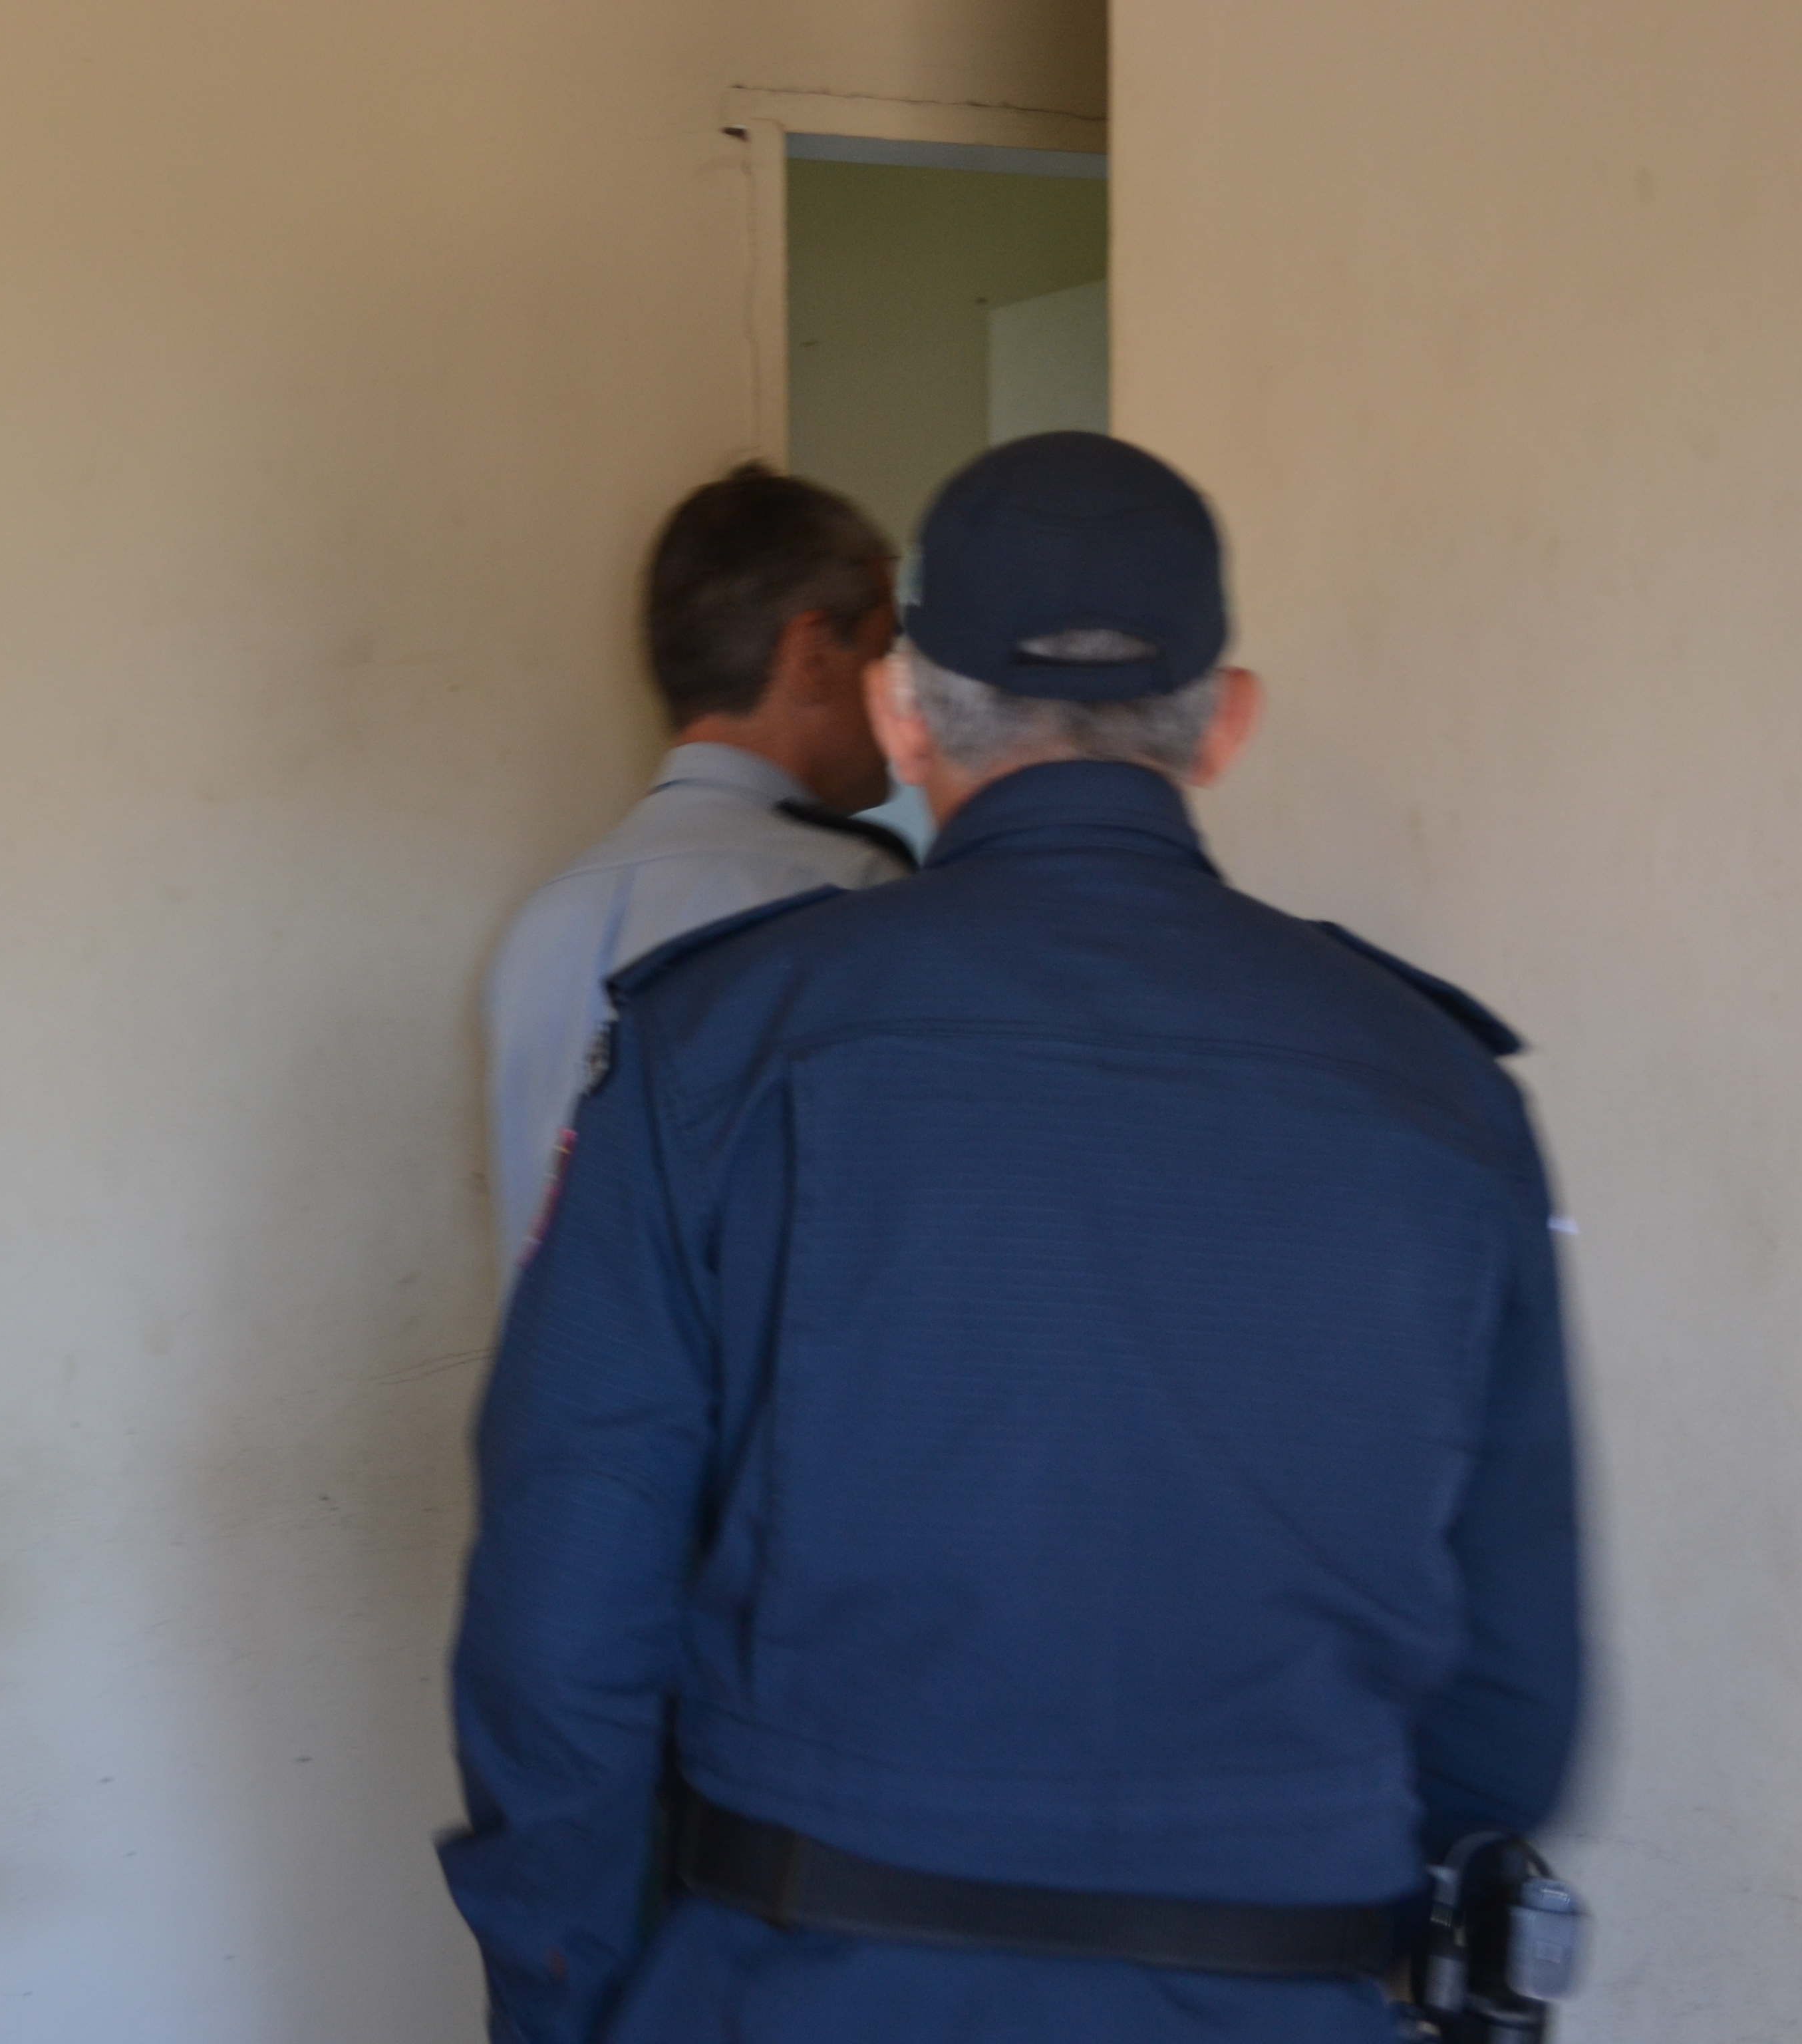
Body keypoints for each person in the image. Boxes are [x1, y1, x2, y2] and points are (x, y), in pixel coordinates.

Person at [440, 432, 1580, 2044]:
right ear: (1226, 720)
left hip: (797, 1986)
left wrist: (566, 1994)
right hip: (1276, 1987)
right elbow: (1514, 1703)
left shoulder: (721, 1044)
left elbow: (561, 1625)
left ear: (904, 709)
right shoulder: (1444, 1093)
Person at [484, 463, 912, 1272]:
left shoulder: (539, 927)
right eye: (884, 648)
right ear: (812, 655)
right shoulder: (852, 901)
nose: (901, 689)